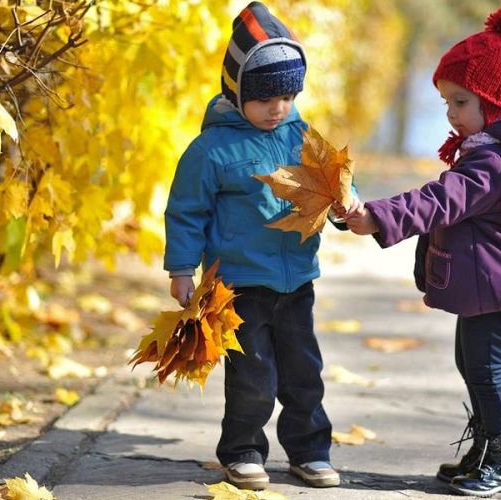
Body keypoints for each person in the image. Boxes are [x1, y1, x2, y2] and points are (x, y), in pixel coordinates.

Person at [343, 4, 501, 497]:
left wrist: (379, 216)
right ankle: (487, 448)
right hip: (491, 285)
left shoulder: (490, 160)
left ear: (494, 102)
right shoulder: (485, 146)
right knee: (471, 364)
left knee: (487, 369)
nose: (450, 113)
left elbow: (441, 200)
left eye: (460, 101)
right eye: (446, 101)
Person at [164, 1, 342, 491]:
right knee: (253, 375)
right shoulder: (211, 150)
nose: (277, 108)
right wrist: (182, 268)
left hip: (297, 281)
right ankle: (242, 449)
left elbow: (332, 186)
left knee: (305, 373)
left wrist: (344, 208)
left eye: (286, 95)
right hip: (240, 284)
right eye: (264, 97)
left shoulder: (302, 136)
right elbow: (186, 211)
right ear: (236, 89)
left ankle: (310, 451)